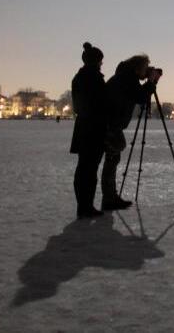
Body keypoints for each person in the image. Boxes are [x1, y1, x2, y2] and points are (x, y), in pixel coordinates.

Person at [101, 54, 161, 210]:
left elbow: (137, 94)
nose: (146, 71)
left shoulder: (124, 75)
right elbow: (140, 96)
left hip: (110, 122)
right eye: (145, 68)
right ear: (138, 67)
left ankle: (110, 197)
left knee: (112, 159)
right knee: (112, 159)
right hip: (110, 123)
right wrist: (151, 82)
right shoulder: (127, 78)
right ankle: (109, 198)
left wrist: (149, 81)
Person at [70, 42, 108, 218]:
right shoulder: (92, 77)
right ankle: (86, 207)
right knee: (89, 169)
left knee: (85, 168)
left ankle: (84, 205)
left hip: (85, 127)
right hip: (92, 128)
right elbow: (100, 103)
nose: (102, 64)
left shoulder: (81, 77)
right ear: (96, 61)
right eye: (100, 61)